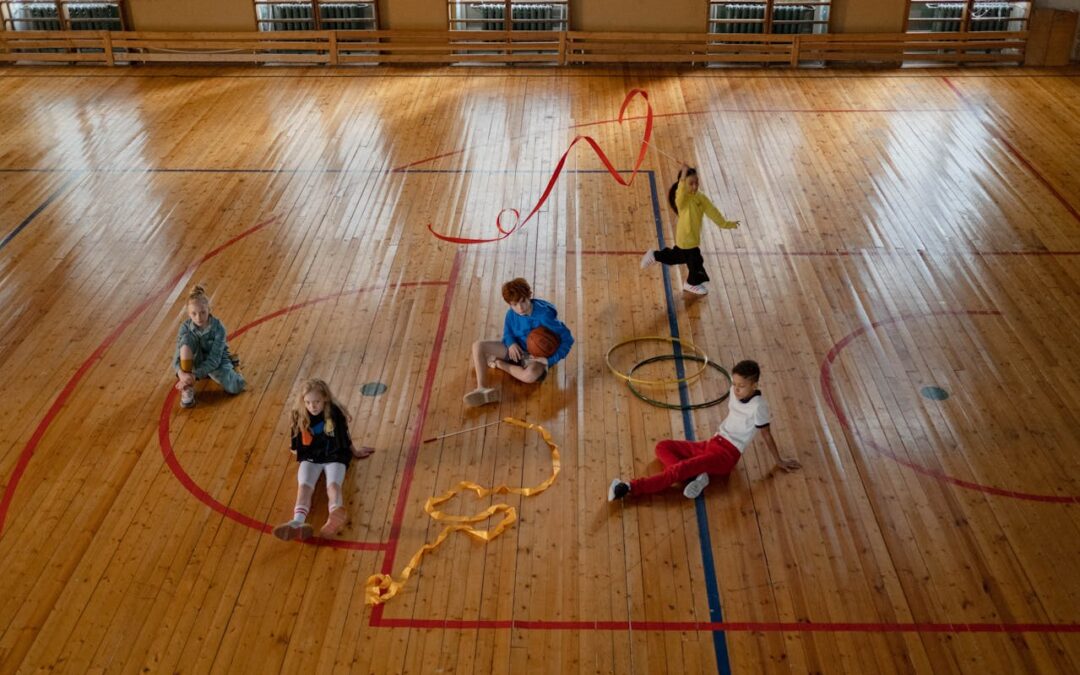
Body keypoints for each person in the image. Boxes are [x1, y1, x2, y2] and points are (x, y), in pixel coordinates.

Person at [608, 360, 799, 501]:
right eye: (734, 383)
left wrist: (779, 460)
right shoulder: (735, 391)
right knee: (662, 447)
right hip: (713, 442)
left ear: (754, 385)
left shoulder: (759, 407)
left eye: (741, 386)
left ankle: (629, 487)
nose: (736, 389)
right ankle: (697, 477)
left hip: (726, 455)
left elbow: (766, 434)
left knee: (679, 469)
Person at [273, 379, 368, 541]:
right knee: (304, 487)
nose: (313, 406)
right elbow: (295, 440)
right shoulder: (298, 414)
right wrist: (295, 448)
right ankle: (297, 522)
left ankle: (335, 512)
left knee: (333, 485)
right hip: (310, 459)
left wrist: (355, 451)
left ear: (325, 398)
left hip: (335, 456)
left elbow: (344, 436)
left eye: (316, 402)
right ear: (303, 401)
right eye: (308, 402)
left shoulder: (335, 413)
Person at [464, 277, 574, 407]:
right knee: (478, 346)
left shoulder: (544, 315)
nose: (520, 308)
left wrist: (549, 360)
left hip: (536, 357)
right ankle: (481, 389)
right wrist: (511, 343)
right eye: (514, 304)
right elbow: (507, 333)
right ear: (510, 304)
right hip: (517, 351)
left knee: (530, 376)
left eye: (523, 301)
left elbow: (568, 339)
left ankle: (498, 363)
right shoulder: (511, 314)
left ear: (529, 296)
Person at [640, 164, 740, 295]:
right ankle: (691, 283)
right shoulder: (682, 200)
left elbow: (713, 212)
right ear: (683, 184)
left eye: (696, 183)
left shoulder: (701, 198)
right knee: (695, 260)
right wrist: (682, 177)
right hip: (685, 238)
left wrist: (726, 224)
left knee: (676, 258)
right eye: (691, 183)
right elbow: (680, 195)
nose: (694, 186)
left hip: (692, 239)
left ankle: (655, 255)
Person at [173, 284, 245, 408]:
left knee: (235, 387)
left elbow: (215, 359)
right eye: (194, 314)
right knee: (185, 342)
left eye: (203, 312)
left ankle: (235, 366)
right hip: (196, 361)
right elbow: (176, 357)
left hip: (215, 362)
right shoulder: (184, 328)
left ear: (209, 309)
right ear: (188, 314)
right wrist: (182, 375)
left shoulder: (219, 328)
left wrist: (194, 376)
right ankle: (187, 389)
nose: (199, 317)